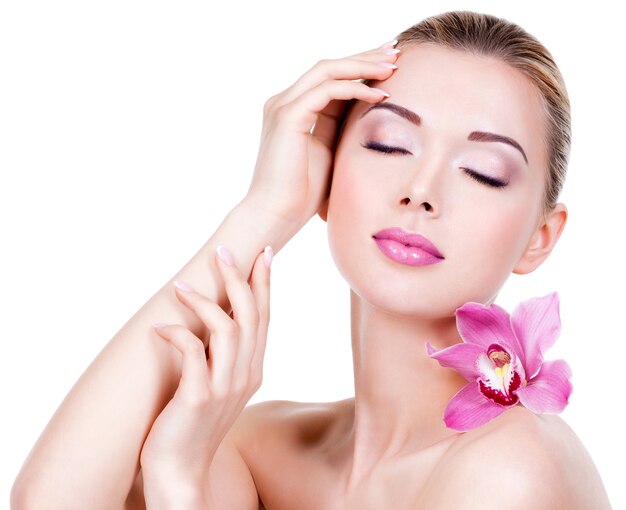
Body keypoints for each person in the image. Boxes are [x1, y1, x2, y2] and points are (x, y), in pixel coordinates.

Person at [11, 10, 612, 509]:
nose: (421, 189)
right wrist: (267, 209)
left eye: (484, 172)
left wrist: (178, 486)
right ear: (329, 171)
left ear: (540, 237)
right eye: (388, 143)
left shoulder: (513, 472)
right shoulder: (262, 444)